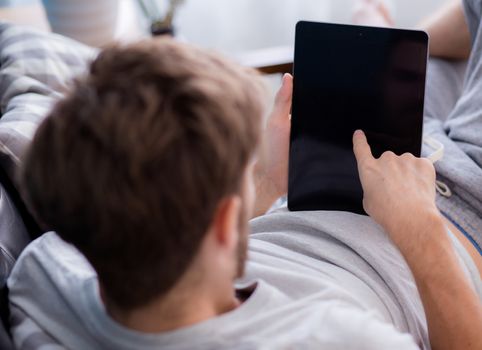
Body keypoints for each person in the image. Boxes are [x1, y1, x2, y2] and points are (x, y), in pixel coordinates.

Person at [7, 0, 482, 349]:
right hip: (455, 213)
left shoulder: (48, 272)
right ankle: (378, 28)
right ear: (222, 221)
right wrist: (417, 225)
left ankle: (382, 36)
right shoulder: (335, 338)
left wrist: (270, 182)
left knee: (410, 58)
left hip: (376, 172)